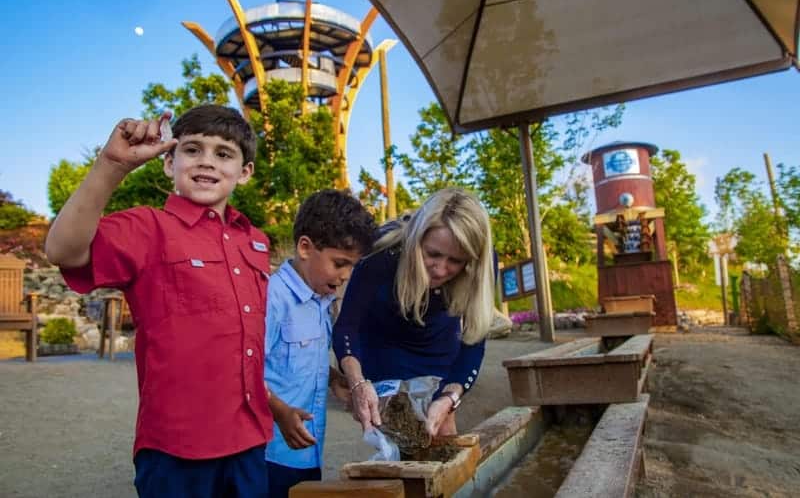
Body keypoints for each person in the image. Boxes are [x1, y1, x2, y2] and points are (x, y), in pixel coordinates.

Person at [45, 105, 273, 498]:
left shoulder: (255, 240)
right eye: (193, 150)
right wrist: (112, 165)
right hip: (175, 447)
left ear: (245, 172)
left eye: (223, 153)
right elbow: (62, 250)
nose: (207, 162)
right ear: (169, 162)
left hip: (250, 441)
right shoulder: (147, 228)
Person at [332, 188, 495, 438]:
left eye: (456, 261)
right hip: (382, 342)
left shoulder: (482, 263)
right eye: (433, 254)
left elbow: (474, 341)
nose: (440, 270)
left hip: (437, 343)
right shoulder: (382, 250)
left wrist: (449, 398)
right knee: (397, 431)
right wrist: (357, 382)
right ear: (417, 240)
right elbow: (347, 326)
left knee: (441, 428)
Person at [264, 189, 376, 497]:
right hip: (271, 451)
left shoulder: (321, 301)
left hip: (308, 449)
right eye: (339, 263)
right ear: (305, 247)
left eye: (352, 266)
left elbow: (296, 356)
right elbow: (242, 370)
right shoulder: (272, 299)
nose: (345, 275)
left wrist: (334, 378)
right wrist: (279, 411)